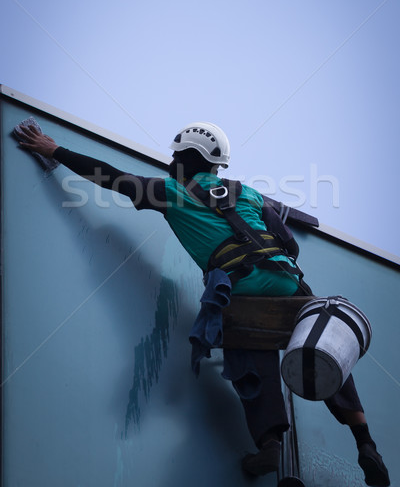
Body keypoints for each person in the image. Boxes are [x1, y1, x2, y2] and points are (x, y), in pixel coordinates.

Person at [19, 121, 390, 486]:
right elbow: (289, 244)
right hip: (288, 284)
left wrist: (55, 151)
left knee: (248, 351)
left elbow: (112, 177)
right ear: (216, 166)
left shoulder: (170, 192)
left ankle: (270, 442)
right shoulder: (247, 193)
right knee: (324, 347)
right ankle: (365, 442)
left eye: (174, 155)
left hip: (240, 289)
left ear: (183, 159)